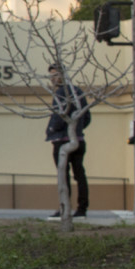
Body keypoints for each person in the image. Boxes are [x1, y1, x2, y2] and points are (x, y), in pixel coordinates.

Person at [46, 63, 90, 218]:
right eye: (51, 75)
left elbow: (58, 117)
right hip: (78, 140)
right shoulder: (78, 92)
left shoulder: (61, 93)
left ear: (63, 75)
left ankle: (65, 209)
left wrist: (52, 130)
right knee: (80, 174)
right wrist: (78, 130)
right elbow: (87, 117)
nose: (53, 79)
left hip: (62, 140)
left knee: (63, 176)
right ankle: (82, 209)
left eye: (56, 75)